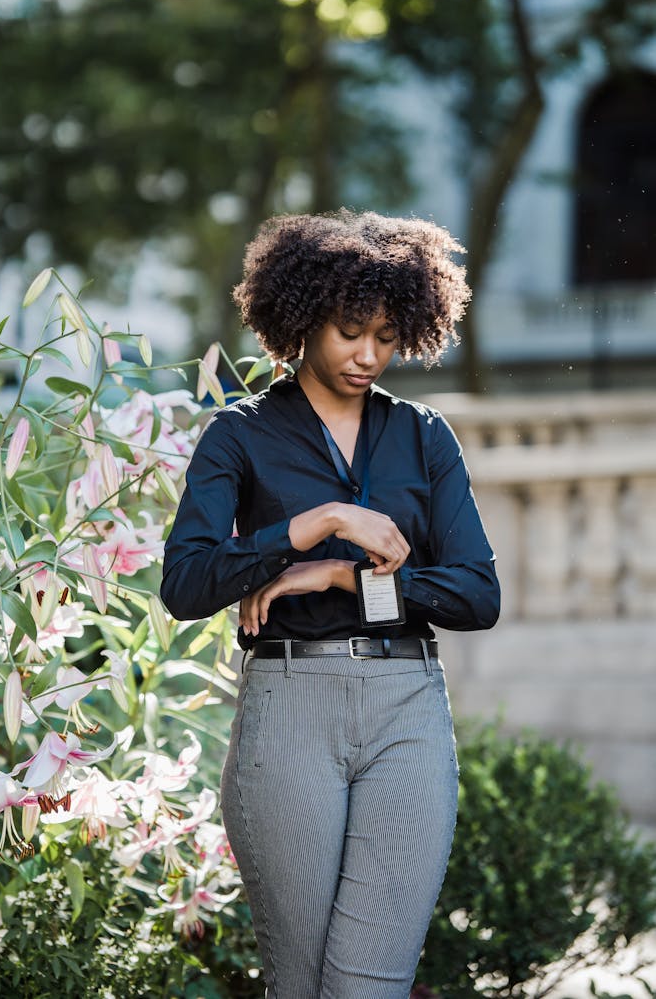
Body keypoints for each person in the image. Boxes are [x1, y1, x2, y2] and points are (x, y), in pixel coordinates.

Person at [160, 210, 500, 999]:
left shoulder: (423, 437)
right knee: (302, 980)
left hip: (406, 709)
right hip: (290, 709)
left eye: (387, 335)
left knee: (365, 986)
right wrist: (316, 525)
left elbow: (477, 592)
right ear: (304, 316)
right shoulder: (239, 436)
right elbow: (188, 582)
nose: (369, 355)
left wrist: (342, 576)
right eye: (352, 331)